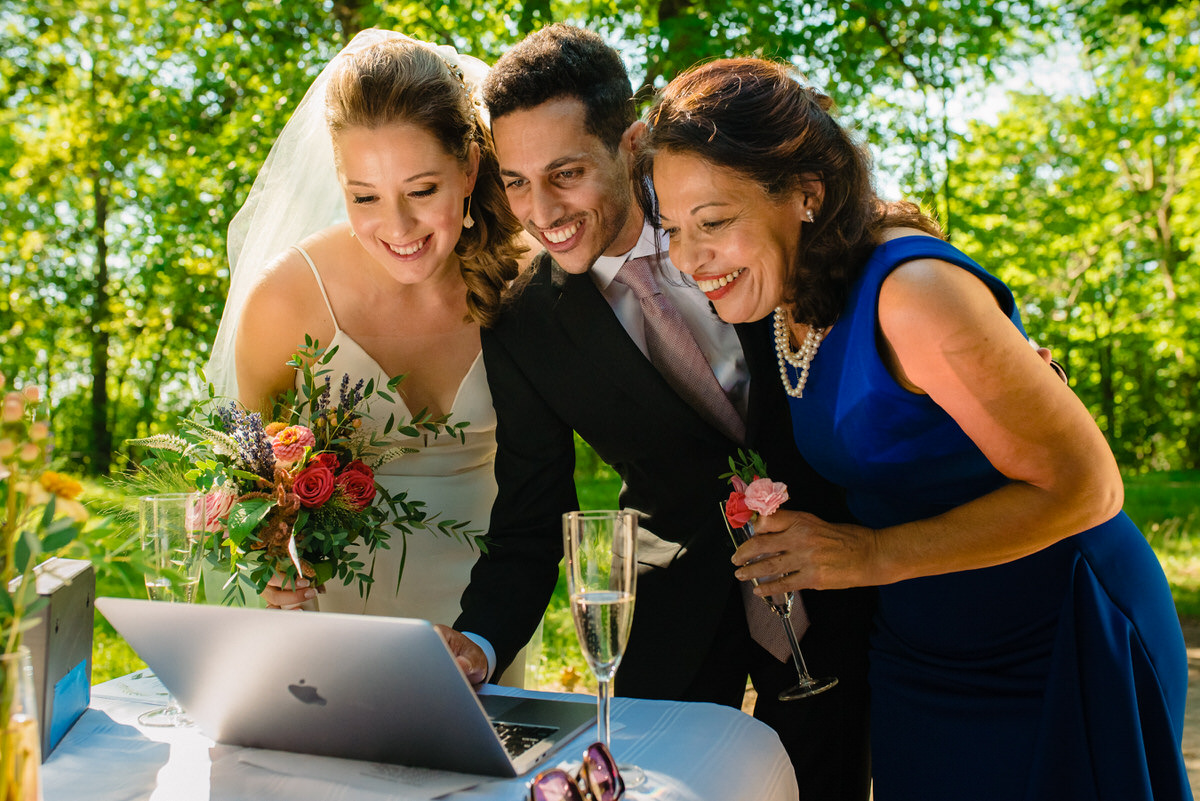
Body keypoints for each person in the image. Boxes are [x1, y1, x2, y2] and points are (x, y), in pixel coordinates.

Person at [639, 57, 1192, 800]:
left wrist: (865, 553)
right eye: (672, 228)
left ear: (807, 194)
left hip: (1056, 636)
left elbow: (1092, 486)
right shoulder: (787, 300)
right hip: (923, 647)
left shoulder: (912, 293)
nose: (687, 257)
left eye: (713, 222)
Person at [439, 25, 875, 799]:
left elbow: (871, 286)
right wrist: (476, 642)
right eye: (515, 181)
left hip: (848, 562)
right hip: (676, 601)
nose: (542, 211)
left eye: (566, 172)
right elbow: (532, 515)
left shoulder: (738, 200)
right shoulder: (521, 323)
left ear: (631, 143)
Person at [204, 30, 533, 683]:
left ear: (468, 169)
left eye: (422, 189)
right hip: (333, 622)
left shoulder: (524, 283)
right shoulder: (287, 299)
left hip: (486, 624)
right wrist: (267, 553)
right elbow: (245, 472)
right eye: (366, 196)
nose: (399, 228)